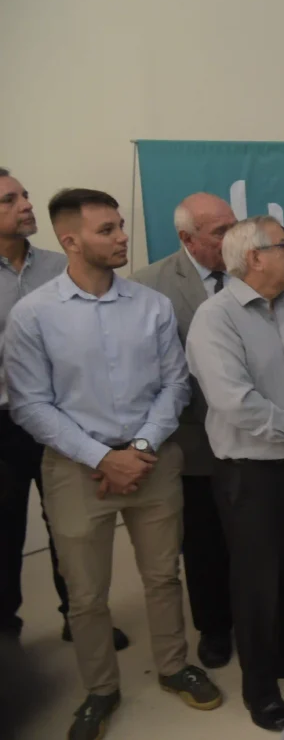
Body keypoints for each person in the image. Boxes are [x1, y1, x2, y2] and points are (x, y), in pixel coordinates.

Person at [5, 189, 221, 740]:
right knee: (85, 595)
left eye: (121, 225)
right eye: (107, 230)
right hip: (75, 469)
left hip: (152, 460)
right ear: (70, 241)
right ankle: (100, 689)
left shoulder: (151, 305)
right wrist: (103, 457)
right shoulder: (34, 314)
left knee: (162, 576)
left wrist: (140, 448)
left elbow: (175, 384)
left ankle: (173, 666)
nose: (122, 237)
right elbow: (30, 404)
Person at [185, 217, 284, 732]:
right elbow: (234, 400)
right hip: (250, 474)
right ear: (254, 257)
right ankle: (260, 686)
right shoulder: (216, 318)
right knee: (257, 582)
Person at [0, 170, 131, 652]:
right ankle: (6, 629)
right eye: (9, 200)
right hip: (4, 421)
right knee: (5, 529)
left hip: (66, 419)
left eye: (24, 195)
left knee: (71, 526)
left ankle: (80, 615)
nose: (25, 204)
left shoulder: (62, 266)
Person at [132, 193, 237, 670]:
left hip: (258, 437)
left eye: (233, 226)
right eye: (219, 232)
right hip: (194, 439)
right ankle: (214, 626)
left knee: (255, 535)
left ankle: (264, 613)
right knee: (204, 539)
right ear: (187, 239)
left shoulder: (252, 269)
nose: (232, 239)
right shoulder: (148, 286)